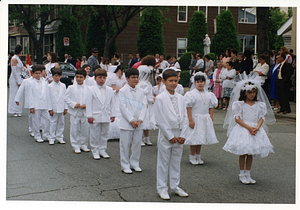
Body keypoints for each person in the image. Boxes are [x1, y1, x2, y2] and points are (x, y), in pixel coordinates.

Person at [223, 72, 275, 184]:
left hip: (255, 129)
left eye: (254, 92)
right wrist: (249, 128)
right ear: (244, 92)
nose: (252, 94)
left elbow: (261, 118)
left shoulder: (259, 104)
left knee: (250, 153)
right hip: (244, 129)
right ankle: (242, 174)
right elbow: (237, 118)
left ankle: (248, 174)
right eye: (249, 92)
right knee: (243, 152)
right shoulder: (239, 104)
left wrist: (256, 127)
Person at [154, 69, 188, 200]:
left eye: (175, 80)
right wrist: (169, 136)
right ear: (164, 81)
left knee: (176, 161)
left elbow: (184, 116)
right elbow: (160, 119)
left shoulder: (181, 98)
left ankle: (175, 186)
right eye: (170, 81)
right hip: (166, 134)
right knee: (163, 162)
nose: (173, 83)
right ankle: (162, 188)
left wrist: (183, 134)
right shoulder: (160, 98)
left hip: (179, 134)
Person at [184, 72, 218, 165]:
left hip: (204, 118)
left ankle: (198, 156)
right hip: (195, 118)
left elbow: (211, 107)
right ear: (194, 83)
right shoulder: (191, 94)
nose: (200, 83)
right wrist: (190, 120)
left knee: (200, 138)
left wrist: (211, 118)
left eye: (202, 81)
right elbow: (188, 107)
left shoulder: (209, 94)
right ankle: (192, 156)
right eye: (198, 82)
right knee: (194, 138)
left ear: (205, 82)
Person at [118, 68, 147, 174]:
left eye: (137, 77)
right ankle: (125, 164)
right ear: (127, 78)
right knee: (125, 145)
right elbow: (123, 107)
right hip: (127, 123)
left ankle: (135, 163)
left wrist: (140, 120)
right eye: (133, 77)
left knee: (137, 144)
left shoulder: (141, 91)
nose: (136, 79)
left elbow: (144, 106)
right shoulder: (122, 91)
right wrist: (131, 120)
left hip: (138, 123)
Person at [86, 69, 117, 159]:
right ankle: (95, 150)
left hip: (106, 115)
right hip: (95, 115)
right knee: (95, 133)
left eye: (104, 77)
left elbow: (112, 103)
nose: (102, 79)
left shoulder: (110, 90)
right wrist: (89, 116)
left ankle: (102, 149)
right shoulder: (91, 89)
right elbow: (88, 103)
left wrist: (113, 114)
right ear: (95, 78)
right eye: (99, 77)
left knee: (105, 133)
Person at [65, 69, 90, 154]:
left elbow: (92, 100)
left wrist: (86, 105)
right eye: (77, 77)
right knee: (74, 129)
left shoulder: (89, 89)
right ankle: (76, 145)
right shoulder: (71, 88)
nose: (79, 79)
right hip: (75, 111)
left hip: (84, 111)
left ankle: (84, 145)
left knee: (85, 129)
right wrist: (73, 104)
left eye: (81, 77)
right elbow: (66, 98)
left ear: (85, 78)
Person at [27, 64, 51, 143]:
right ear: (33, 74)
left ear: (41, 73)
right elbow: (29, 95)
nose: (38, 75)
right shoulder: (31, 83)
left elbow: (47, 93)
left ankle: (46, 134)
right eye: (36, 73)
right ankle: (37, 135)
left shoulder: (44, 82)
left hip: (44, 104)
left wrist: (49, 105)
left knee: (47, 119)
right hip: (35, 104)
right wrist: (31, 107)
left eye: (39, 73)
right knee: (36, 121)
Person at [137, 55, 157, 146]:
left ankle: (146, 137)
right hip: (144, 104)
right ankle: (139, 138)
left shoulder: (148, 83)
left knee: (147, 120)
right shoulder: (142, 84)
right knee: (142, 120)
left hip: (149, 105)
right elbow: (143, 96)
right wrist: (151, 99)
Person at [105, 65, 127, 140]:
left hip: (121, 96)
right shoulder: (113, 78)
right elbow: (113, 89)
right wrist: (121, 88)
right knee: (116, 111)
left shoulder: (122, 78)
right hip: (116, 96)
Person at [48, 68, 68, 145]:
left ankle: (59, 136)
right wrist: (50, 109)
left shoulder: (63, 85)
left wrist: (65, 108)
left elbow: (65, 97)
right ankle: (52, 137)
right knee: (53, 123)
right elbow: (48, 98)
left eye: (59, 76)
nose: (57, 78)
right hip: (53, 107)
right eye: (56, 76)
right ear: (52, 76)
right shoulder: (49, 86)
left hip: (61, 107)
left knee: (61, 123)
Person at [15, 69, 35, 137]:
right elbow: (20, 90)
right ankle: (31, 129)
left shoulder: (43, 81)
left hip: (39, 101)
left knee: (38, 116)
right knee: (31, 116)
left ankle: (37, 128)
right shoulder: (26, 81)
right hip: (29, 101)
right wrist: (17, 99)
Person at [8, 44, 24, 117]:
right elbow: (14, 71)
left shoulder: (18, 58)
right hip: (14, 79)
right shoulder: (14, 58)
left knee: (19, 94)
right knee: (14, 94)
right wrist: (18, 82)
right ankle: (13, 110)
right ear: (21, 51)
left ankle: (19, 110)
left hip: (19, 77)